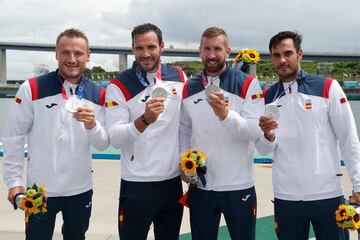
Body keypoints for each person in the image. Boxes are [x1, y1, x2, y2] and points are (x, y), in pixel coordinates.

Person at [2, 28, 109, 240]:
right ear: (56, 54)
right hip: (39, 191)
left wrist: (92, 125)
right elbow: (13, 137)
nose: (72, 59)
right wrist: (14, 182)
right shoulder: (31, 88)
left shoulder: (99, 94)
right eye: (65, 52)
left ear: (88, 56)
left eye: (78, 53)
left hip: (79, 190)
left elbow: (103, 143)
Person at [261, 30, 360, 240]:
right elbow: (264, 149)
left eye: (287, 53)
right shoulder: (267, 96)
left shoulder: (327, 87)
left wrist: (358, 184)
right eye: (276, 55)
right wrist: (268, 135)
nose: (282, 60)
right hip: (286, 197)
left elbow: (348, 138)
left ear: (300, 54)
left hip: (327, 195)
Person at [180, 26, 277, 240]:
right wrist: (183, 162)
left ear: (228, 51)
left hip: (238, 185)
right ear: (200, 51)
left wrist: (225, 115)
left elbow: (253, 130)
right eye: (207, 49)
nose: (212, 54)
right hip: (202, 186)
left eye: (217, 49)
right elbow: (185, 128)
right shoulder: (190, 86)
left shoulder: (248, 83)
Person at [105, 23, 186, 240]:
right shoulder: (118, 85)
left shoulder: (179, 75)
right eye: (139, 48)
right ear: (133, 49)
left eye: (151, 47)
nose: (145, 54)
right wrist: (144, 120)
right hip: (136, 184)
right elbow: (115, 137)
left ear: (162, 46)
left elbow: (186, 125)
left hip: (171, 182)